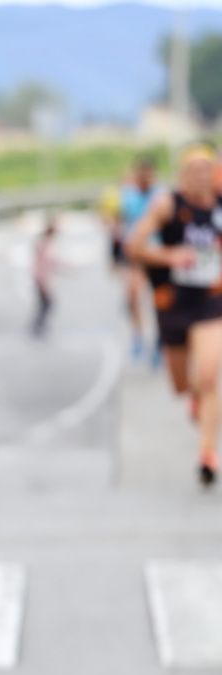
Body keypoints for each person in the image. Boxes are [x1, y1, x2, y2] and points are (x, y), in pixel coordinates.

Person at [127, 143, 222, 485]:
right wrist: (170, 256)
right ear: (182, 176)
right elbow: (134, 245)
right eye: (193, 171)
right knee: (183, 385)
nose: (200, 177)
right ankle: (195, 398)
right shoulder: (168, 204)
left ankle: (207, 453)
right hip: (174, 304)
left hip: (212, 302)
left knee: (210, 377)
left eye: (206, 169)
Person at [119, 157, 160, 361]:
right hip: (135, 254)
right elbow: (122, 223)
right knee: (133, 295)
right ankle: (138, 336)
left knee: (158, 299)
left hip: (156, 253)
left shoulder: (160, 196)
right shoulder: (128, 195)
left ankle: (159, 340)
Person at [32, 217, 59, 338]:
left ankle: (39, 325)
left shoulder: (45, 242)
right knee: (46, 303)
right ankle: (38, 326)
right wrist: (43, 282)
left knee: (45, 304)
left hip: (41, 277)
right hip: (41, 278)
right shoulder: (44, 243)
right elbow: (44, 263)